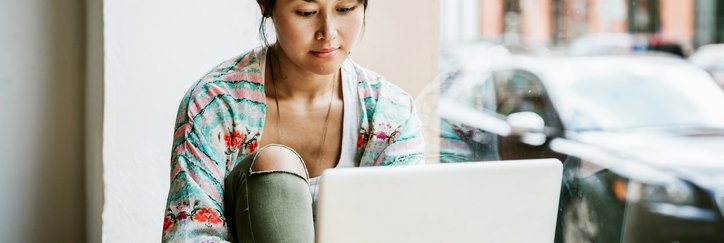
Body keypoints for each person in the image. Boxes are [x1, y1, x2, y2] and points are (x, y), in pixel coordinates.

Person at [162, 0, 425, 242]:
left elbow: (403, 228)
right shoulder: (215, 103)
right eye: (307, 12)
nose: (328, 33)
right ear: (265, 4)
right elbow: (189, 235)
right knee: (276, 165)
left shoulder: (390, 112)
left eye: (345, 9)